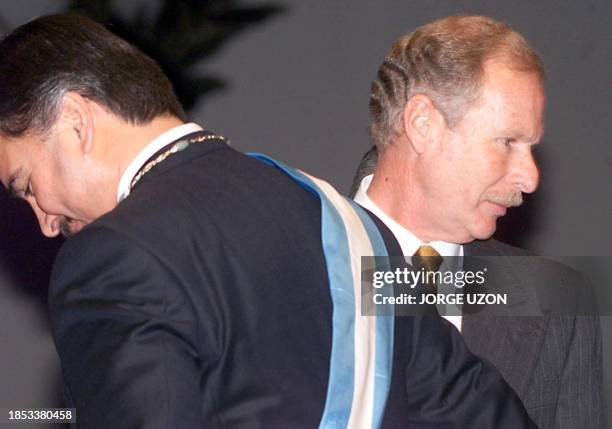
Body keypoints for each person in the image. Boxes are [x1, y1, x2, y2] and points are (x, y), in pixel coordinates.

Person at [0, 13, 539, 429]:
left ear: (75, 120)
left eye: (26, 183)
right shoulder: (345, 223)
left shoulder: (110, 257)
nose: (45, 221)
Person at [350, 15, 602, 429]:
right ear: (422, 124)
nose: (531, 177)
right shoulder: (283, 270)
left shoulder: (557, 300)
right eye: (508, 142)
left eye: (531, 147)